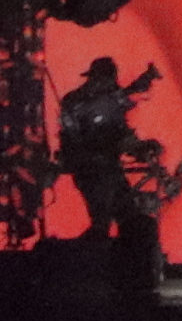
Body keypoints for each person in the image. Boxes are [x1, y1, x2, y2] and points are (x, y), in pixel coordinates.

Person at [54, 55, 158, 242]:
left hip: (107, 168)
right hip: (94, 171)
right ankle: (95, 260)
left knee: (127, 216)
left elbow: (119, 130)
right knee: (103, 221)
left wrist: (139, 148)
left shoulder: (88, 100)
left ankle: (126, 256)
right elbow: (86, 133)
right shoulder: (87, 102)